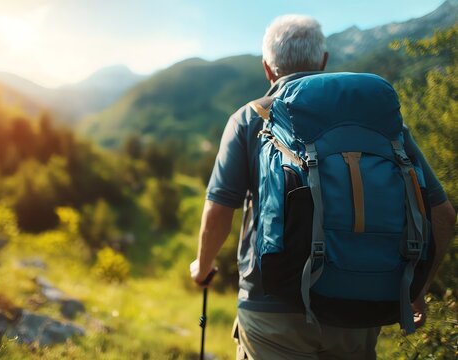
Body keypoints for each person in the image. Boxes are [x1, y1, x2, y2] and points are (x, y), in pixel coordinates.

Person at [189, 14, 456, 360]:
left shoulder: (250, 118)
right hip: (360, 309)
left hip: (271, 309)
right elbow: (444, 216)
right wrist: (415, 287)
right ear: (324, 61)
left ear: (268, 69)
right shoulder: (382, 123)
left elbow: (219, 211)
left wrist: (202, 266)